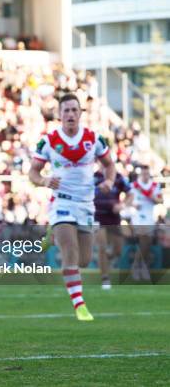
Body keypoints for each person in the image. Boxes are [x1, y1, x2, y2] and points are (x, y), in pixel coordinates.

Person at [29, 93, 116, 322]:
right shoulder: (48, 141)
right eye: (66, 110)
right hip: (62, 202)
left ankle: (53, 236)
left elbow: (109, 166)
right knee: (70, 252)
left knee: (85, 260)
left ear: (80, 113)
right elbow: (33, 173)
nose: (70, 114)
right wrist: (45, 181)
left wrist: (108, 181)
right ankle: (80, 306)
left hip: (86, 205)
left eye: (74, 110)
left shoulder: (94, 139)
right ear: (59, 114)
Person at [93, 170, 133, 289]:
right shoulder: (94, 177)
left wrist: (122, 205)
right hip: (97, 216)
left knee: (118, 250)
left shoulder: (119, 177)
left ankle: (106, 260)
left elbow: (130, 194)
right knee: (102, 247)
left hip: (114, 218)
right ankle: (105, 279)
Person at [129, 165, 162, 281]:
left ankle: (139, 264)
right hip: (137, 217)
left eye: (147, 174)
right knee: (144, 236)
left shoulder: (154, 186)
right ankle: (139, 266)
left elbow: (160, 200)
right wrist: (134, 204)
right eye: (143, 174)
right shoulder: (134, 186)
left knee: (147, 242)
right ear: (140, 174)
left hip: (149, 216)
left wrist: (154, 198)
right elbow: (128, 201)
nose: (145, 176)